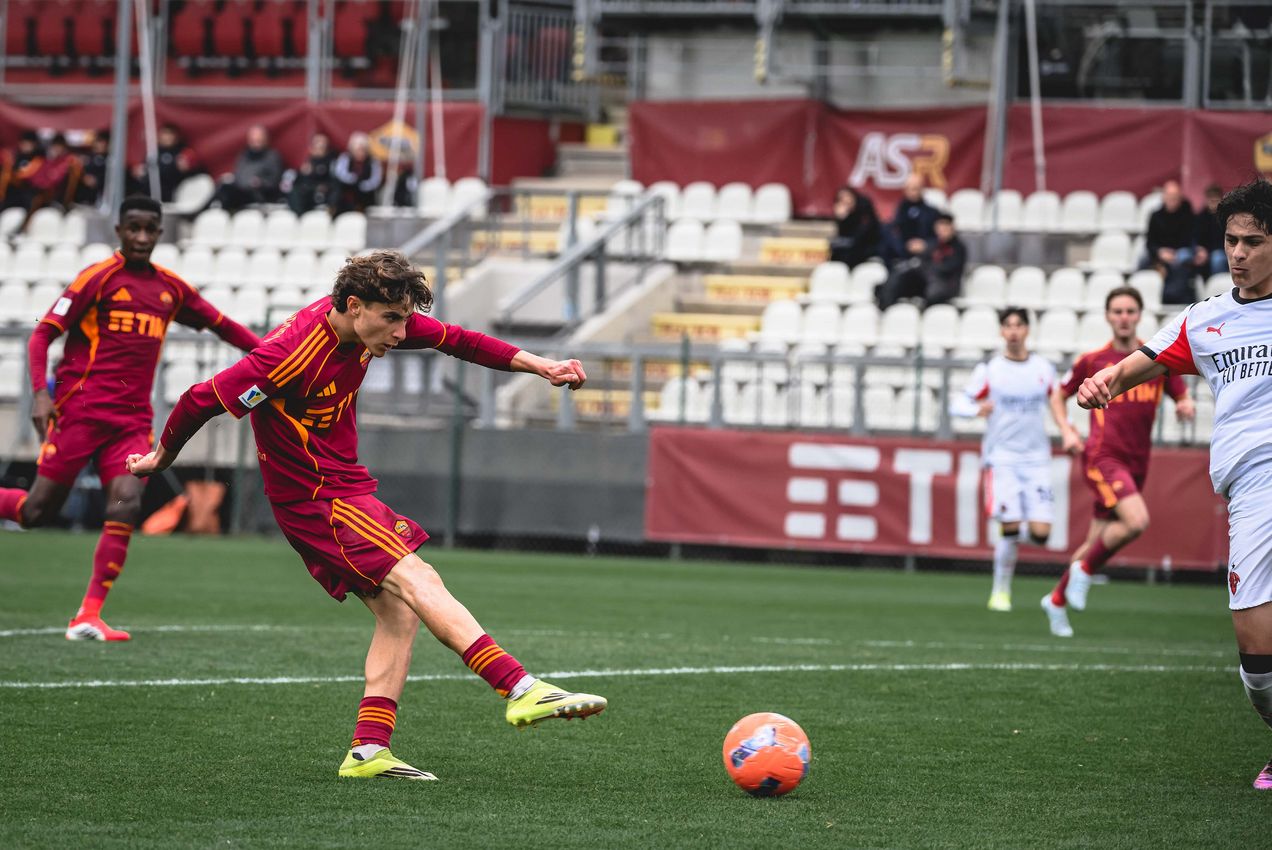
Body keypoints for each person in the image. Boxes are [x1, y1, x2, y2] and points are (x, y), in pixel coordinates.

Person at [125, 250, 607, 780]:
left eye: (405, 319)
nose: (402, 334)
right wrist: (160, 457)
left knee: (398, 612)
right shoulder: (290, 354)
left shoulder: (371, 323)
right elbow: (200, 399)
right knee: (419, 576)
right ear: (355, 305)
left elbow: (459, 340)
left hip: (342, 485)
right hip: (318, 498)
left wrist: (538, 365)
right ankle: (519, 687)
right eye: (392, 320)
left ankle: (368, 752)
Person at [1073, 179, 1272, 789]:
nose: (1238, 253)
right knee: (1256, 655)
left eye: (1254, 241)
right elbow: (1147, 361)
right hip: (1250, 483)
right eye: (1231, 241)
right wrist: (1105, 379)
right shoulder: (1208, 319)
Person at [0, 196, 260, 640]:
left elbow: (222, 325)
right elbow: (43, 333)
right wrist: (41, 395)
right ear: (119, 230)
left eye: (150, 229)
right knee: (36, 512)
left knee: (127, 500)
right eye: (134, 228)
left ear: (160, 233)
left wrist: (274, 356)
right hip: (79, 412)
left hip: (132, 421)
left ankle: (88, 615)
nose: (142, 237)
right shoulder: (98, 279)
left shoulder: (171, 288)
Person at [1042, 285, 1195, 638]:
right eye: (1117, 311)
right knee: (1136, 520)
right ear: (1108, 317)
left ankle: (1057, 599)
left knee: (1094, 540)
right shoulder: (1093, 360)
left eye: (1130, 311)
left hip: (1137, 461)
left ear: (1139, 315)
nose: (1124, 317)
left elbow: (1180, 393)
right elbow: (1058, 395)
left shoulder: (1155, 358)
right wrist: (1067, 430)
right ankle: (1083, 572)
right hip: (1103, 456)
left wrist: (1185, 406)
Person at [950, 308, 1066, 612]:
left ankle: (1009, 537)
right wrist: (976, 410)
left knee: (1041, 534)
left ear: (1027, 330)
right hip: (1002, 459)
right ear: (1002, 332)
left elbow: (1056, 402)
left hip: (1037, 459)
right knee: (1011, 524)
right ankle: (1000, 591)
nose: (1013, 331)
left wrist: (1066, 429)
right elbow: (958, 403)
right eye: (1008, 326)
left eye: (1019, 325)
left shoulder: (1043, 368)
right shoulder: (990, 370)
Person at [875, 212, 966, 310]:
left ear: (952, 228)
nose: (942, 231)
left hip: (945, 284)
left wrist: (927, 266)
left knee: (933, 291)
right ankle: (886, 308)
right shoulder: (932, 246)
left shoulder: (958, 248)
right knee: (901, 275)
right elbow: (922, 263)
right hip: (926, 281)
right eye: (940, 227)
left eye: (946, 227)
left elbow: (947, 269)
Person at [9, 134, 81, 236]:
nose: (57, 149)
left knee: (35, 200)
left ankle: (23, 228)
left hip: (55, 197)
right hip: (39, 191)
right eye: (55, 146)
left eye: (59, 146)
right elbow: (36, 178)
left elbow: (55, 180)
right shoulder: (46, 161)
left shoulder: (68, 163)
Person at [200, 125, 283, 214]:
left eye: (259, 140)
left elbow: (274, 181)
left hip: (259, 194)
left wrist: (260, 182)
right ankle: (207, 212)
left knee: (229, 193)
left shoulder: (272, 157)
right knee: (223, 187)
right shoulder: (244, 156)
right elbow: (238, 175)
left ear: (265, 140)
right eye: (253, 140)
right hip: (242, 190)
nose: (256, 143)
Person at [1142, 179, 1199, 304]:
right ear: (1163, 197)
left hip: (1182, 250)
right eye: (1169, 196)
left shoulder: (1188, 214)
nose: (1172, 200)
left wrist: (1171, 253)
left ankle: (1171, 297)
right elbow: (1150, 242)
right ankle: (1145, 297)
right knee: (1141, 262)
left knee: (1182, 259)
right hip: (1161, 252)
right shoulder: (1155, 216)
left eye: (1175, 197)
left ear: (1180, 198)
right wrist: (1160, 252)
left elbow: (1191, 239)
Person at [130, 123, 200, 202]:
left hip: (170, 194)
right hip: (147, 192)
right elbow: (142, 169)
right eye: (165, 134)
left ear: (176, 137)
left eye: (170, 134)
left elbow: (195, 172)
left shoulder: (183, 152)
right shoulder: (152, 151)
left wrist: (185, 168)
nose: (167, 137)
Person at [884, 173, 939, 267]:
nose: (913, 192)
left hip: (926, 259)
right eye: (910, 189)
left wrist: (925, 245)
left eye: (916, 188)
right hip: (902, 256)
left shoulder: (932, 212)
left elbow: (938, 237)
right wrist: (905, 246)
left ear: (922, 189)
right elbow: (894, 233)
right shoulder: (900, 211)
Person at [284, 132, 337, 215]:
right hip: (307, 196)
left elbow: (334, 183)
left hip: (323, 195)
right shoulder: (307, 164)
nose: (320, 148)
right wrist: (305, 174)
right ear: (311, 148)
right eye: (317, 146)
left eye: (323, 146)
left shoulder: (332, 163)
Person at [829, 186, 882, 269]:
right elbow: (842, 233)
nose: (845, 201)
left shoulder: (864, 208)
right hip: (850, 246)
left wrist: (849, 242)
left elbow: (865, 233)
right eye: (841, 199)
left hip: (868, 246)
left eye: (847, 197)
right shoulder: (845, 214)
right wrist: (841, 219)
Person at [333, 132, 383, 215]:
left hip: (366, 196)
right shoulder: (345, 158)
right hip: (346, 193)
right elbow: (340, 173)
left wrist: (365, 185)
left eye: (362, 150)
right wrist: (353, 179)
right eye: (357, 150)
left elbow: (376, 179)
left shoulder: (373, 161)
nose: (360, 152)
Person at [0, 130, 44, 211]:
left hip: (26, 194)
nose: (25, 146)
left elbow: (26, 175)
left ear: (34, 145)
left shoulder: (37, 160)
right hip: (11, 192)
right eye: (24, 143)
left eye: (28, 144)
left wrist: (10, 176)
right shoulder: (16, 157)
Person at [1195, 183, 1229, 277]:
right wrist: (1199, 249)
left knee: (1216, 258)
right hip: (1205, 251)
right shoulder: (1200, 217)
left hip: (1222, 250)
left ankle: (1218, 286)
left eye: (1215, 200)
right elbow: (1195, 237)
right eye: (1211, 200)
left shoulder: (1226, 217)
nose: (1213, 203)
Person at [76, 129, 111, 206]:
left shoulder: (110, 160)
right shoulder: (88, 157)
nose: (99, 144)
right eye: (98, 141)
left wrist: (97, 180)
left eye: (101, 142)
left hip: (101, 200)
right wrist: (83, 177)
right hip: (82, 198)